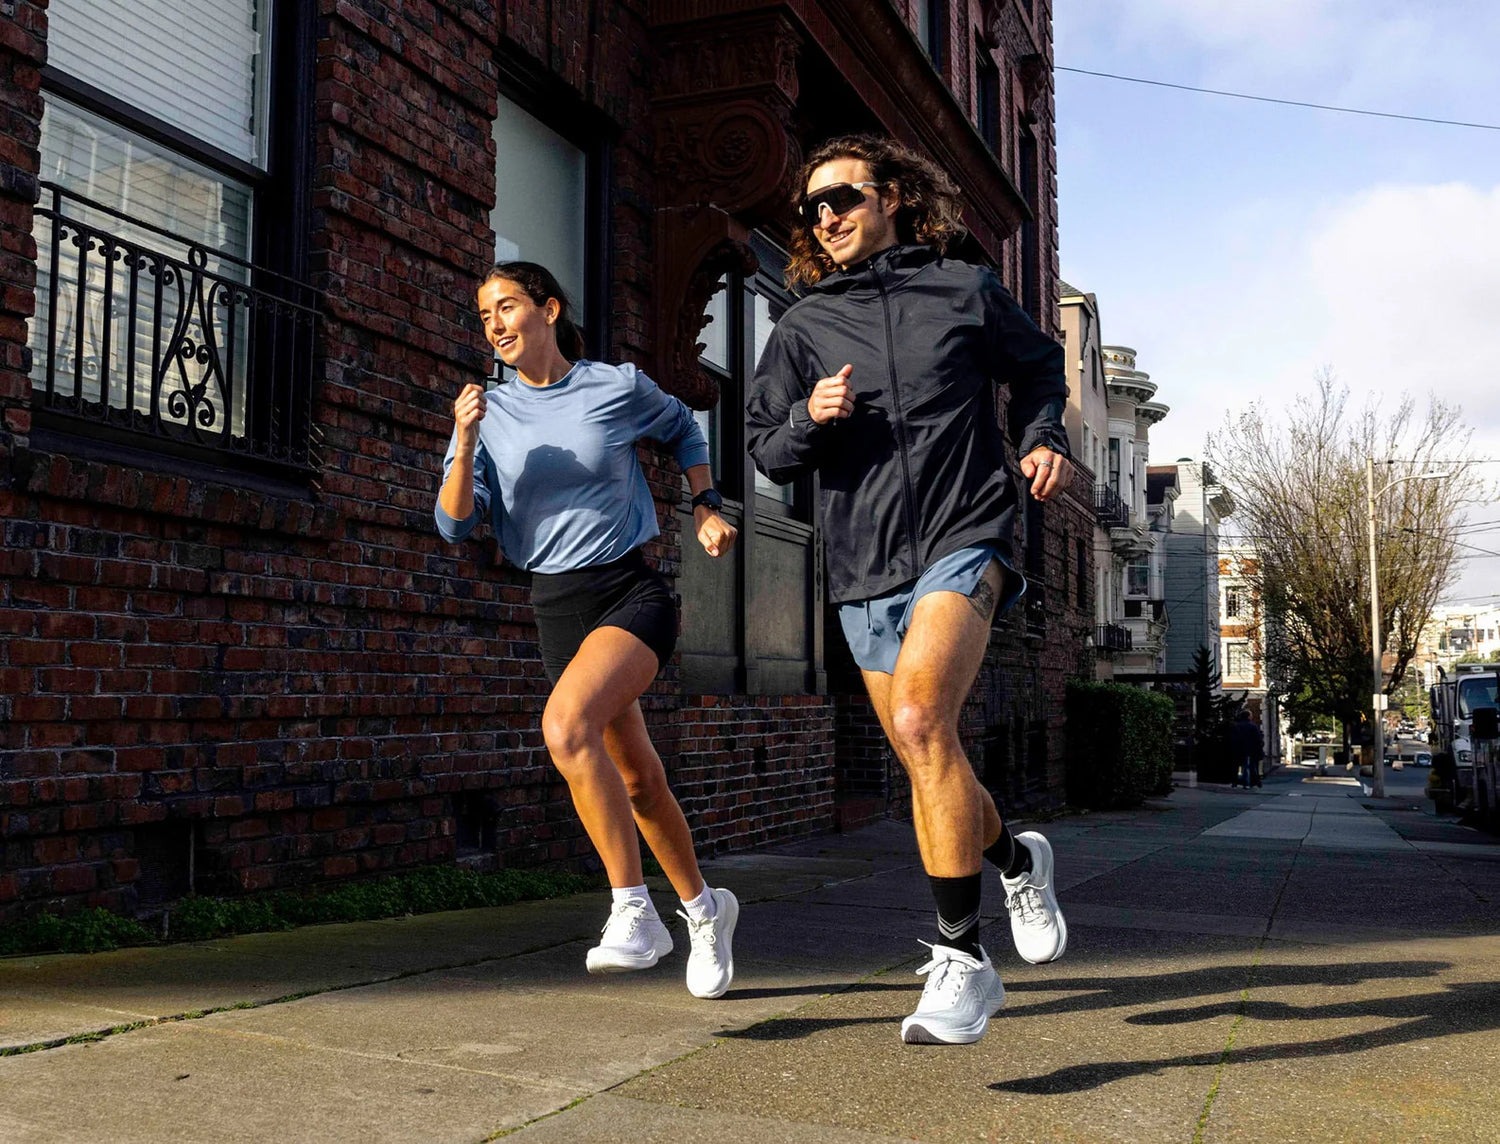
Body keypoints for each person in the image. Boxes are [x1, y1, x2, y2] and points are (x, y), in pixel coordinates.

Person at [746, 135, 1072, 1045]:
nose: (826, 218)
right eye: (812, 208)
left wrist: (1046, 436)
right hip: (864, 561)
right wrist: (810, 421)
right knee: (928, 756)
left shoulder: (963, 289)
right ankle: (1014, 858)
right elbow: (765, 446)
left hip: (969, 530)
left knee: (926, 722)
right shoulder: (803, 327)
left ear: (891, 195)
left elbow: (1041, 367)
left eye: (841, 197)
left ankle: (962, 959)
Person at [435, 261, 741, 999]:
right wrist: (464, 438)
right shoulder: (488, 411)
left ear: (548, 309)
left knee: (567, 726)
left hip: (629, 590)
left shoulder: (615, 386)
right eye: (484, 316)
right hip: (556, 606)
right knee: (636, 776)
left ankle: (633, 911)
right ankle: (704, 909)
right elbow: (452, 523)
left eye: (507, 307)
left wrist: (704, 505)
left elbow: (683, 431)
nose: (496, 324)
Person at [1230, 709, 1264, 790]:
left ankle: (1234, 782)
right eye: (1251, 715)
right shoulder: (1252, 726)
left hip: (1237, 749)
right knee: (1247, 767)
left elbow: (1233, 738)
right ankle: (1247, 783)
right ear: (1248, 716)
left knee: (1236, 767)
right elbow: (1257, 739)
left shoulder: (1236, 725)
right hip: (1249, 750)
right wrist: (1259, 748)